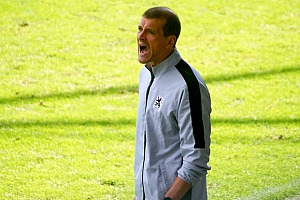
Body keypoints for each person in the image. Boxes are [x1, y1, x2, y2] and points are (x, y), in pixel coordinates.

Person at [134, 7, 211, 200]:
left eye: (150, 32)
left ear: (170, 41)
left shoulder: (188, 87)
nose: (140, 36)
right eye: (140, 28)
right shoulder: (146, 74)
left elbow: (196, 158)